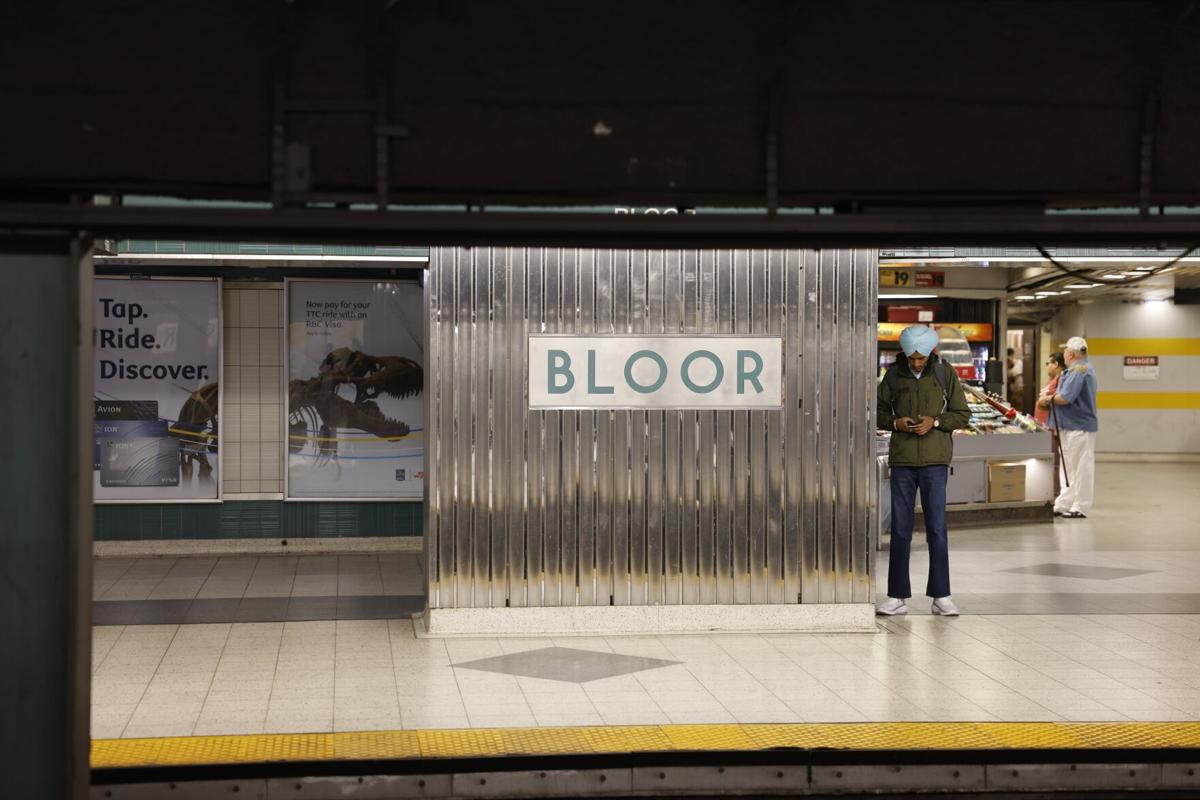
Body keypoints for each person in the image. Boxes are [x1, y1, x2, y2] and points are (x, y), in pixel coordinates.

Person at [876, 324, 972, 616]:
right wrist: (895, 423)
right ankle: (896, 596)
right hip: (903, 461)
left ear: (930, 351)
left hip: (935, 462)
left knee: (937, 529)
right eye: (912, 357)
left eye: (921, 357)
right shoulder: (892, 375)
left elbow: (962, 414)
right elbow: (878, 411)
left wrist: (937, 422)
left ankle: (941, 595)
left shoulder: (945, 374)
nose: (916, 362)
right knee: (901, 531)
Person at [1037, 336, 1098, 518]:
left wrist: (1047, 399)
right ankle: (1065, 502)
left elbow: (1065, 398)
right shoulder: (1073, 370)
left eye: (1065, 351)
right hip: (1069, 426)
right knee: (1068, 467)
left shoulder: (1079, 370)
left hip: (1078, 427)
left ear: (1071, 354)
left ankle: (1080, 506)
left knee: (1080, 467)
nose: (1063, 354)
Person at [1036, 351, 1067, 495]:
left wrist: (1044, 402)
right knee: (1050, 461)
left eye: (1048, 363)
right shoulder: (1054, 379)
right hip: (1045, 426)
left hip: (1052, 426)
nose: (1047, 366)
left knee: (1054, 462)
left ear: (1056, 364)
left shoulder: (1062, 379)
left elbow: (1059, 400)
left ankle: (1055, 494)